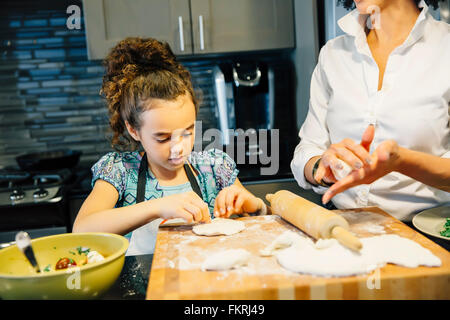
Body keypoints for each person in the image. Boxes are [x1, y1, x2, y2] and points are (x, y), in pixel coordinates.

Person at [72, 37, 267, 255]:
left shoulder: (214, 168)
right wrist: (156, 207)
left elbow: (256, 225)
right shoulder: (119, 172)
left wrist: (255, 205)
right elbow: (82, 230)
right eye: (163, 138)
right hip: (142, 287)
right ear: (134, 130)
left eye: (187, 132)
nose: (178, 148)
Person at [291, 0, 449, 221]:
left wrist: (402, 162)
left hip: (425, 233)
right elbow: (308, 149)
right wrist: (322, 168)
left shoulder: (445, 49)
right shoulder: (334, 54)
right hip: (342, 226)